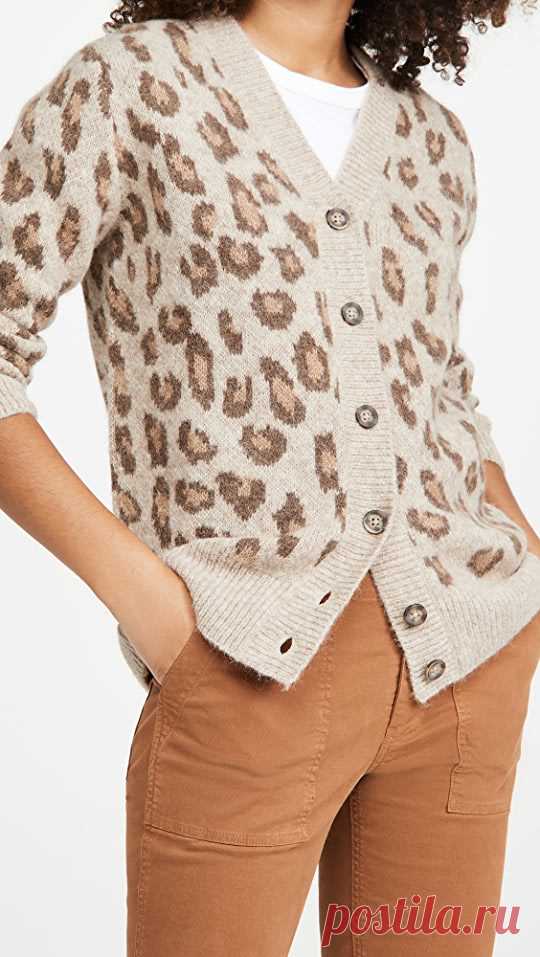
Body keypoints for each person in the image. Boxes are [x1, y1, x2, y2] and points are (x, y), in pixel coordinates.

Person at [0, 0, 539, 953]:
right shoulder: (131, 84)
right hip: (245, 666)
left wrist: (523, 557)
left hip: (463, 664)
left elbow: (438, 380)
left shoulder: (433, 139)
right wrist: (153, 604)